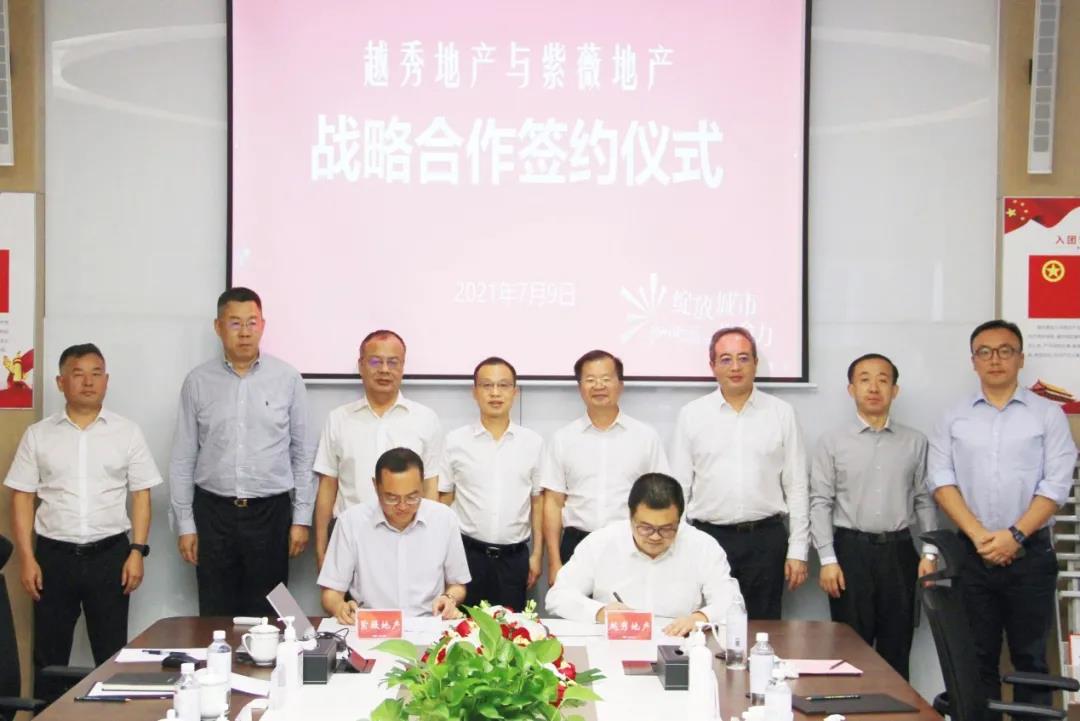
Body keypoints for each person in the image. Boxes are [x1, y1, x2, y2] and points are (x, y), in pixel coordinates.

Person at [929, 320, 1077, 712]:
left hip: (1032, 555)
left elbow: (1056, 485)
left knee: (1032, 658)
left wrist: (1015, 536)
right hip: (972, 555)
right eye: (985, 352)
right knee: (977, 659)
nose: (995, 359)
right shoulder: (954, 417)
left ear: (1021, 359)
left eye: (1005, 350)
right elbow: (941, 480)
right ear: (973, 361)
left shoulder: (1048, 415)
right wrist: (980, 536)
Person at [5, 343, 161, 701]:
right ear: (61, 382)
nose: (88, 382)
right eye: (78, 374)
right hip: (53, 558)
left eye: (96, 374)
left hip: (111, 557)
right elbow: (22, 497)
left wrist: (137, 551)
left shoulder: (127, 432)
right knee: (49, 657)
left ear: (106, 380)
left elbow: (141, 495)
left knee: (111, 654)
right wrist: (27, 558)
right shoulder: (39, 435)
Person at [169, 287, 314, 617]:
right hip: (213, 513)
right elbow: (183, 458)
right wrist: (186, 524)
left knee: (273, 614)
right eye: (235, 323)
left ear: (263, 325)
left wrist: (301, 519)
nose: (245, 332)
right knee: (214, 612)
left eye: (252, 322)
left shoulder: (288, 378)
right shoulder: (197, 381)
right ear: (218, 327)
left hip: (271, 513)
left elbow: (303, 453)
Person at [809, 353, 939, 680]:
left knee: (897, 649)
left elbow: (924, 499)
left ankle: (895, 708)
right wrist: (827, 559)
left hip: (899, 554)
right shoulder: (832, 442)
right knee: (850, 651)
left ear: (895, 390)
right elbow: (820, 502)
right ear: (851, 389)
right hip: (850, 553)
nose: (874, 387)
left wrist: (929, 552)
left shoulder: (916, 442)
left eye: (883, 380)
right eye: (864, 379)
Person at [670, 326, 809, 620]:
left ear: (755, 363)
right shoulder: (692, 415)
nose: (735, 367)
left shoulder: (781, 413)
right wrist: (678, 547)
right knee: (708, 624)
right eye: (726, 359)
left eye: (743, 358)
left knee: (764, 628)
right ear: (712, 365)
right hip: (707, 538)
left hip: (766, 539)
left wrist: (798, 549)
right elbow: (680, 487)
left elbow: (796, 485)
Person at [546, 473, 742, 637]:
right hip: (614, 644)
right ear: (630, 516)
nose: (655, 537)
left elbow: (733, 604)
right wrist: (600, 612)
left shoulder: (703, 546)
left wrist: (700, 618)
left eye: (666, 529)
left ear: (680, 519)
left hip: (679, 645)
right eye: (646, 528)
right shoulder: (601, 542)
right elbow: (558, 596)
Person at [313, 329, 441, 570]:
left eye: (393, 362)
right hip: (349, 536)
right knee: (345, 597)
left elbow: (431, 488)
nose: (384, 369)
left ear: (402, 367)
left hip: (409, 538)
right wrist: (321, 550)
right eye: (375, 361)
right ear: (361, 365)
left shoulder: (425, 419)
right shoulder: (339, 419)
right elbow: (327, 486)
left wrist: (430, 544)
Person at [541, 349, 669, 584]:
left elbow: (661, 499)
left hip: (630, 544)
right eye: (590, 380)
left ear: (620, 385)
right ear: (580, 387)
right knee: (574, 607)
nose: (598, 386)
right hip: (576, 544)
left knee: (626, 608)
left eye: (606, 378)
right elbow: (553, 502)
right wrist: (554, 561)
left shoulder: (645, 437)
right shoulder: (563, 438)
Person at [439, 357, 543, 610]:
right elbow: (443, 501)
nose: (495, 393)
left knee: (512, 630)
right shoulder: (455, 441)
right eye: (487, 385)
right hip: (466, 556)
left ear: (515, 392)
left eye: (503, 385)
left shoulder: (532, 442)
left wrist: (537, 554)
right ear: (474, 391)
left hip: (514, 559)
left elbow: (538, 501)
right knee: (461, 629)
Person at [319, 447, 470, 622]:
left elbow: (458, 585)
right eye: (392, 498)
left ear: (422, 485)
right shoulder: (351, 522)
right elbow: (331, 592)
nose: (403, 506)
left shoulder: (444, 519)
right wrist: (340, 607)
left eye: (412, 497)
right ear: (375, 486)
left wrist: (449, 598)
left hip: (427, 623)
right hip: (372, 625)